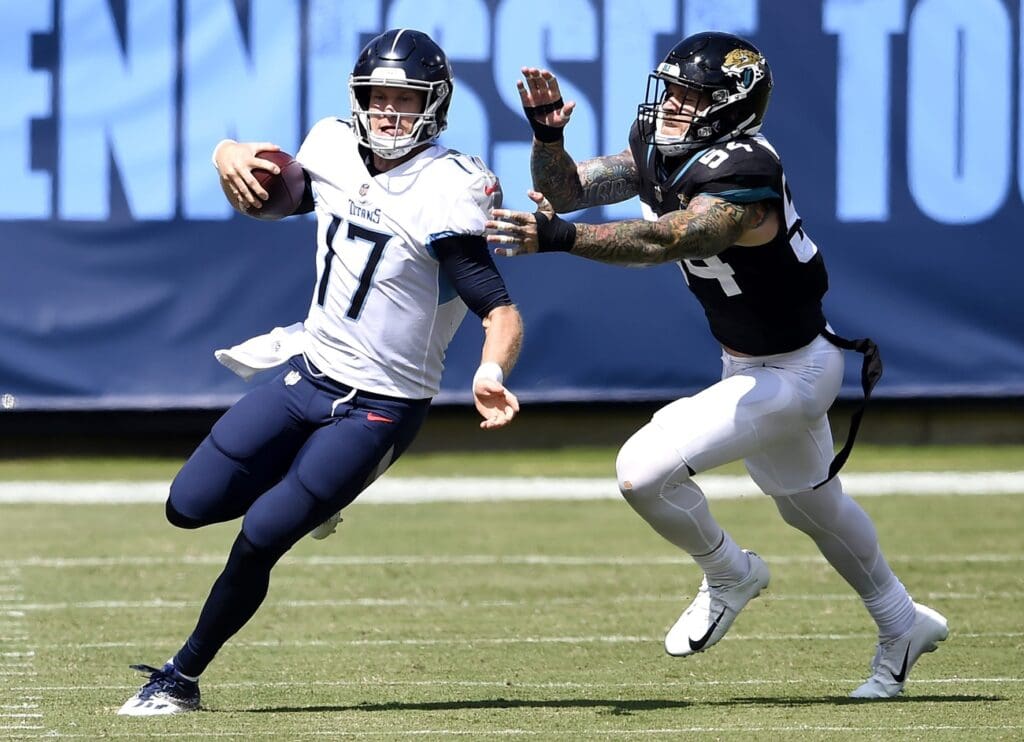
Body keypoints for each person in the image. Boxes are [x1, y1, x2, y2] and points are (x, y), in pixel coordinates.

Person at [486, 31, 946, 699]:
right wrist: (546, 139)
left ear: (731, 105)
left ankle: (730, 571)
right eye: (670, 91)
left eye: (690, 96)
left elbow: (667, 238)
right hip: (752, 362)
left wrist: (561, 237)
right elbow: (573, 188)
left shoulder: (743, 174)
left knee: (642, 471)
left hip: (795, 370)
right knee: (812, 510)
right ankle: (902, 622)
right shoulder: (661, 145)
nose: (671, 105)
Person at [118, 28, 523, 716]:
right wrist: (229, 152)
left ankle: (179, 678)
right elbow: (278, 194)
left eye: (406, 99)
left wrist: (490, 372)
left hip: (383, 403)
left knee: (262, 537)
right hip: (309, 370)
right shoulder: (333, 143)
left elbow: (501, 311)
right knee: (186, 506)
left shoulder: (450, 188)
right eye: (379, 97)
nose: (390, 112)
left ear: (437, 106)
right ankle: (317, 485)